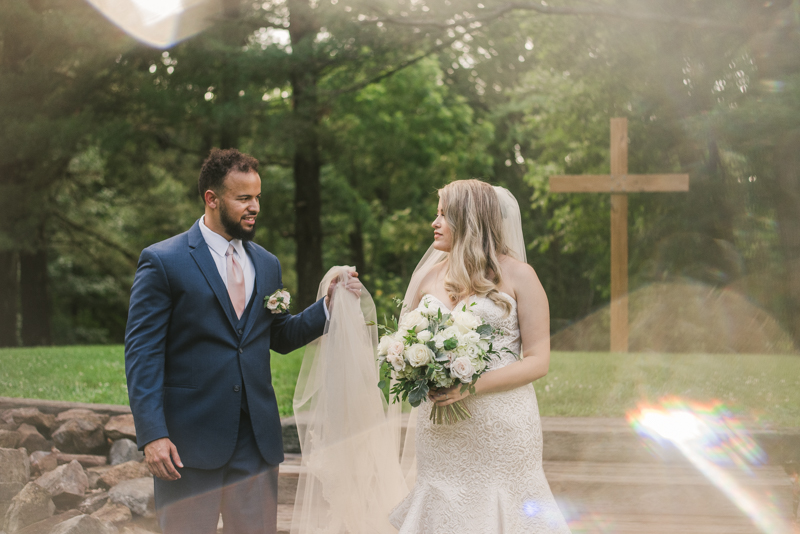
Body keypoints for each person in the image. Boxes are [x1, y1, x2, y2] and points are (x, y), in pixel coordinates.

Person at [124, 148, 361, 534]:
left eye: (258, 197)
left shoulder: (266, 263)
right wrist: (153, 434)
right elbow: (142, 353)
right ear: (212, 199)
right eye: (244, 198)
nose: (255, 207)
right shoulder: (163, 261)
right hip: (188, 444)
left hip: (256, 443)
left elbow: (279, 336)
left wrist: (327, 308)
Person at [387, 179, 571, 533]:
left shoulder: (520, 275)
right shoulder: (427, 277)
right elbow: (404, 341)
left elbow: (538, 360)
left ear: (469, 219)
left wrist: (470, 387)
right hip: (440, 429)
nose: (434, 223)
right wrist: (414, 365)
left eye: (444, 214)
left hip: (501, 427)